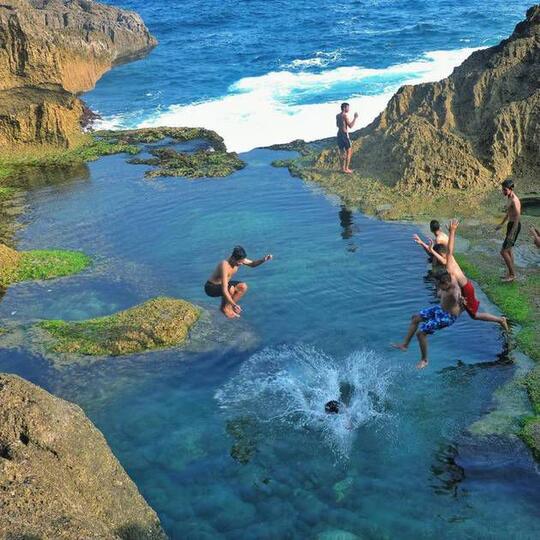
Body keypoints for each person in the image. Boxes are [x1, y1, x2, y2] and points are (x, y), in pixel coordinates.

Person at [429, 219, 508, 332]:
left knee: (475, 315)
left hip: (466, 289)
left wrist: (452, 231)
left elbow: (450, 251)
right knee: (467, 313)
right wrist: (431, 250)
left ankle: (501, 320)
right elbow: (444, 258)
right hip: (464, 288)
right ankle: (498, 319)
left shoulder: (449, 263)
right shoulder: (448, 263)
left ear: (443, 254)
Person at [392, 271, 463, 369]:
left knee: (421, 333)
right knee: (415, 318)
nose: (438, 287)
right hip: (440, 309)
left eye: (439, 285)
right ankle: (404, 345)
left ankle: (424, 360)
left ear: (446, 283)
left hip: (447, 317)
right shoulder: (450, 278)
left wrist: (461, 304)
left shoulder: (455, 292)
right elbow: (452, 270)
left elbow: (461, 302)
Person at [205, 246, 272, 318]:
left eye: (242, 262)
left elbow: (252, 264)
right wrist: (234, 304)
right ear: (233, 258)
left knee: (243, 286)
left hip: (223, 285)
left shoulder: (239, 259)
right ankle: (224, 309)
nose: (241, 264)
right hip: (211, 287)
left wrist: (263, 260)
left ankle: (228, 308)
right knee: (231, 289)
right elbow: (224, 289)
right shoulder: (224, 265)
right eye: (239, 262)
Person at [496, 179, 521, 282]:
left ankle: (512, 274)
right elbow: (509, 213)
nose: (503, 192)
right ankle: (511, 272)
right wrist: (502, 224)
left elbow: (517, 217)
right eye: (502, 190)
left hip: (515, 226)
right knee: (509, 249)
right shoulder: (509, 197)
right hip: (510, 225)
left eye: (505, 190)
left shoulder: (515, 200)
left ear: (511, 189)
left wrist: (512, 233)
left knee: (503, 251)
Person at [336, 102, 358, 174]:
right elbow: (350, 126)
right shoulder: (344, 116)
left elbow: (337, 125)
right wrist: (355, 118)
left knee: (342, 152)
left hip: (339, 134)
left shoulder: (337, 115)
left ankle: (342, 168)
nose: (349, 109)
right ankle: (346, 169)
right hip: (344, 135)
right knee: (349, 152)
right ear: (344, 108)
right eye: (348, 107)